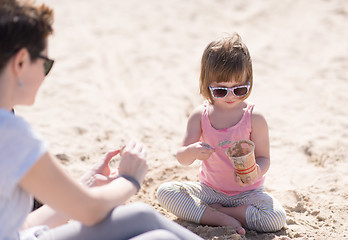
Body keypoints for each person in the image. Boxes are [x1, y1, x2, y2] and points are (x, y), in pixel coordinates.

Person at [0, 1, 204, 239]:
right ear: (21, 62)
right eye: (45, 64)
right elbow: (90, 211)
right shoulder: (10, 131)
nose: (46, 75)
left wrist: (86, 184)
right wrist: (130, 180)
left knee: (140, 216)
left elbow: (18, 225)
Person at [156, 33, 287, 235]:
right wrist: (192, 151)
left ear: (249, 81)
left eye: (239, 89)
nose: (230, 96)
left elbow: (264, 159)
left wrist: (255, 172)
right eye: (220, 91)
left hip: (248, 193)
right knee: (166, 192)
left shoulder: (254, 118)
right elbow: (182, 158)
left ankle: (221, 213)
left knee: (275, 218)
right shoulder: (200, 116)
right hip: (210, 191)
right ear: (207, 84)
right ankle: (220, 217)